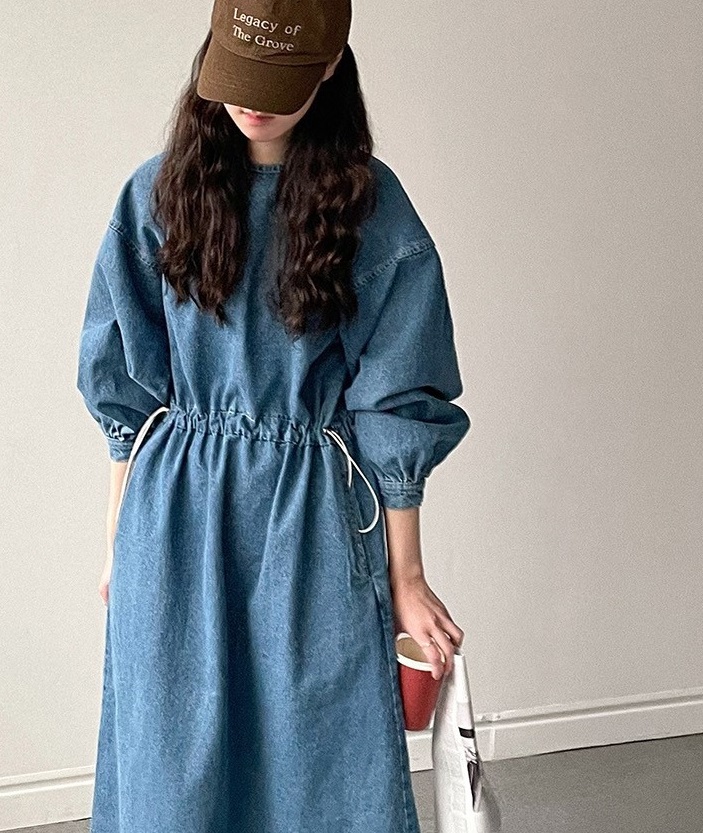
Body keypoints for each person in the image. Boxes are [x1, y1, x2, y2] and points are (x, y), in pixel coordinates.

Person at [76, 0, 471, 830]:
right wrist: (118, 541)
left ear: (328, 68)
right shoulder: (156, 194)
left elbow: (396, 398)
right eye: (238, 75)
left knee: (318, 759)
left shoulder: (369, 208)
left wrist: (405, 576)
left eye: (276, 81)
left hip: (311, 516)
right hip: (174, 515)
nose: (252, 103)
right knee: (170, 760)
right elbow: (128, 392)